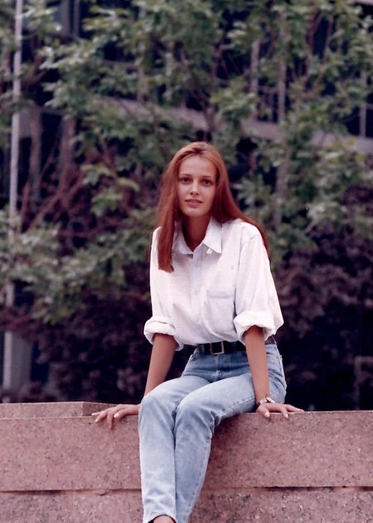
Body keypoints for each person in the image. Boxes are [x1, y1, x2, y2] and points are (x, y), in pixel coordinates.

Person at [93, 142, 302, 523]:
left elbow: (254, 323)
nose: (194, 190)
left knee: (194, 409)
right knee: (157, 405)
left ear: (218, 189)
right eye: (185, 180)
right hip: (201, 366)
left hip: (252, 367)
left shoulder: (244, 237)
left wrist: (264, 397)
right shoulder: (162, 241)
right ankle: (161, 519)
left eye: (205, 182)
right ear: (173, 186)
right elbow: (166, 329)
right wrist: (147, 400)